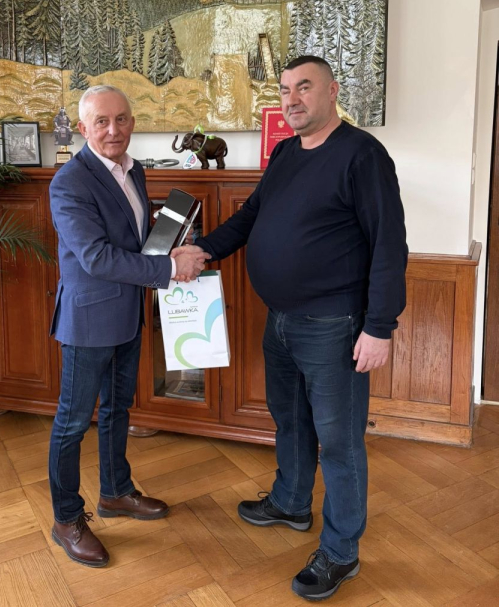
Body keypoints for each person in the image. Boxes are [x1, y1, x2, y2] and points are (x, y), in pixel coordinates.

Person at [173, 55, 407, 601]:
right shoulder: (284, 153)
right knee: (290, 421)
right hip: (279, 320)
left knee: (340, 443)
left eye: (305, 87)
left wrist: (379, 326)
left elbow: (389, 244)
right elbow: (251, 215)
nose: (292, 99)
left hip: (334, 325)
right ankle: (291, 502)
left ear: (333, 91)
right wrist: (205, 249)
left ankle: (341, 552)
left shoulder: (363, 155)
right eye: (284, 90)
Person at [48, 84, 209, 568]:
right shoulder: (69, 182)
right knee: (73, 423)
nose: (113, 130)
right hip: (87, 321)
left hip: (128, 314)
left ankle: (115, 492)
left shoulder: (134, 170)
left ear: (133, 123)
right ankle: (66, 519)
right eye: (101, 121)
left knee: (119, 408)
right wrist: (169, 269)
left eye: (121, 119)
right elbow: (96, 257)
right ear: (83, 128)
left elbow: (134, 242)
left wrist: (171, 246)